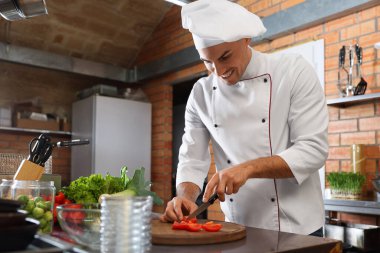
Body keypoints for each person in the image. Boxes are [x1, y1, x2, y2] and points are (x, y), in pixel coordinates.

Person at [161, 0, 328, 237]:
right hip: (239, 228)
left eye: (225, 57)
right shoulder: (201, 93)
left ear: (246, 39)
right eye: (207, 62)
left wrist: (247, 168)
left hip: (297, 230)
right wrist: (184, 198)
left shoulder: (292, 71)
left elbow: (313, 150)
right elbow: (191, 159)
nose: (218, 72)